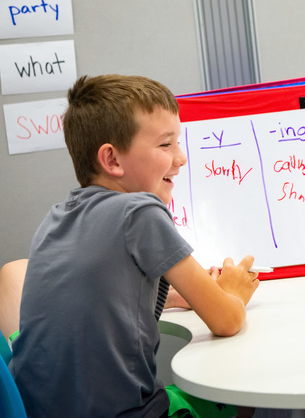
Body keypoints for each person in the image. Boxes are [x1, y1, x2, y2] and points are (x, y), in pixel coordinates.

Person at [10, 74, 260, 417]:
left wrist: (175, 296)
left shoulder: (56, 219)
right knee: (241, 391)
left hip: (39, 410)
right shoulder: (140, 212)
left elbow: (101, 294)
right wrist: (233, 292)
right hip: (126, 414)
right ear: (112, 160)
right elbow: (227, 321)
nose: (181, 158)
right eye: (165, 145)